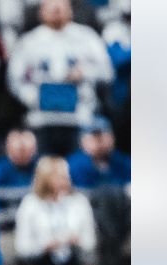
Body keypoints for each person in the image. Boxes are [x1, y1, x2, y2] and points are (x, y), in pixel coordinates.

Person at [7, 0, 113, 156]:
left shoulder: (87, 38)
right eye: (51, 6)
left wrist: (85, 72)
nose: (56, 10)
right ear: (41, 11)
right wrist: (35, 97)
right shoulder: (29, 42)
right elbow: (14, 80)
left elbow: (107, 72)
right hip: (42, 118)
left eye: (61, 6)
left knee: (75, 173)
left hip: (79, 116)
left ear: (70, 10)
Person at [13, 155, 97, 265]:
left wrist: (76, 240)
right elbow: (22, 247)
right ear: (45, 178)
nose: (66, 179)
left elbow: (90, 241)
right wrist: (45, 246)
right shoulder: (30, 204)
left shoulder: (80, 202)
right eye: (60, 176)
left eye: (67, 175)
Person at [67, 117, 130, 190]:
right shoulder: (72, 166)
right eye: (94, 138)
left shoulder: (123, 161)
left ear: (112, 138)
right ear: (82, 142)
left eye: (103, 137)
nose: (100, 143)